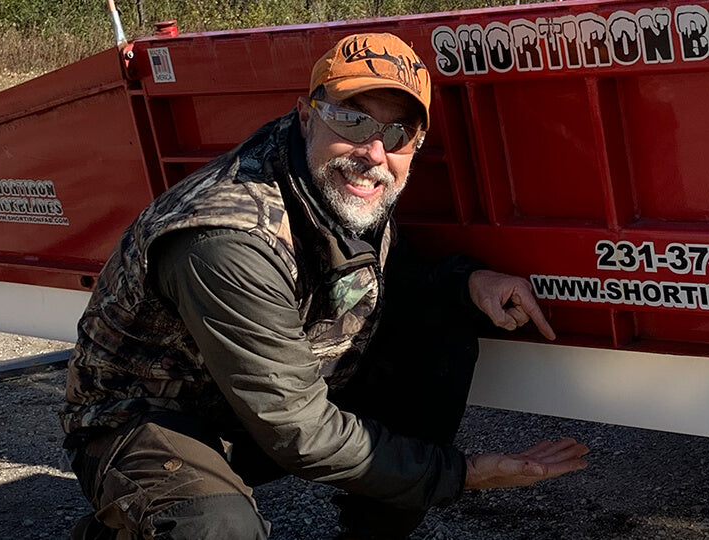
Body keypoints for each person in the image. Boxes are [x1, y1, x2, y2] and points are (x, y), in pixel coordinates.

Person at [61, 32, 588, 539]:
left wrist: (469, 282)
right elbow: (297, 430)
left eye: (399, 133)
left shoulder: (330, 176)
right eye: (353, 119)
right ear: (307, 114)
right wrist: (463, 472)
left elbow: (376, 274)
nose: (374, 151)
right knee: (216, 528)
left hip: (266, 396)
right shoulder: (226, 238)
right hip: (150, 416)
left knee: (440, 321)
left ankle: (373, 532)